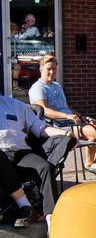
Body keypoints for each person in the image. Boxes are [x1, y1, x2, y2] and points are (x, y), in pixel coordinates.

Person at [29, 55, 96, 178]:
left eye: (54, 69)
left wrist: (82, 116)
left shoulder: (56, 86)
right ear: (41, 69)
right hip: (57, 125)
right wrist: (66, 116)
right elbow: (44, 111)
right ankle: (89, 164)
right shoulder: (37, 88)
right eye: (48, 69)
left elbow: (66, 107)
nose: (52, 72)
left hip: (71, 121)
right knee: (94, 132)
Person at [0, 94, 77, 229]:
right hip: (1, 157)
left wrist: (64, 134)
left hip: (20, 153)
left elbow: (41, 128)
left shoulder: (16, 105)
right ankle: (25, 206)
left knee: (45, 168)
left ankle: (52, 221)